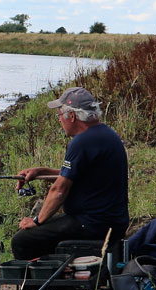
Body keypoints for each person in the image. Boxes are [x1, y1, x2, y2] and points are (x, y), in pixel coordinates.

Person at [10, 86, 129, 260]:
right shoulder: (106, 134)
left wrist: (36, 221)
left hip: (92, 223)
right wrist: (41, 172)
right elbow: (76, 174)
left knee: (22, 240)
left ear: (71, 116)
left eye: (59, 115)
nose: (59, 120)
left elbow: (59, 190)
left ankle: (36, 285)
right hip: (110, 221)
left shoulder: (82, 142)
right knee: (48, 228)